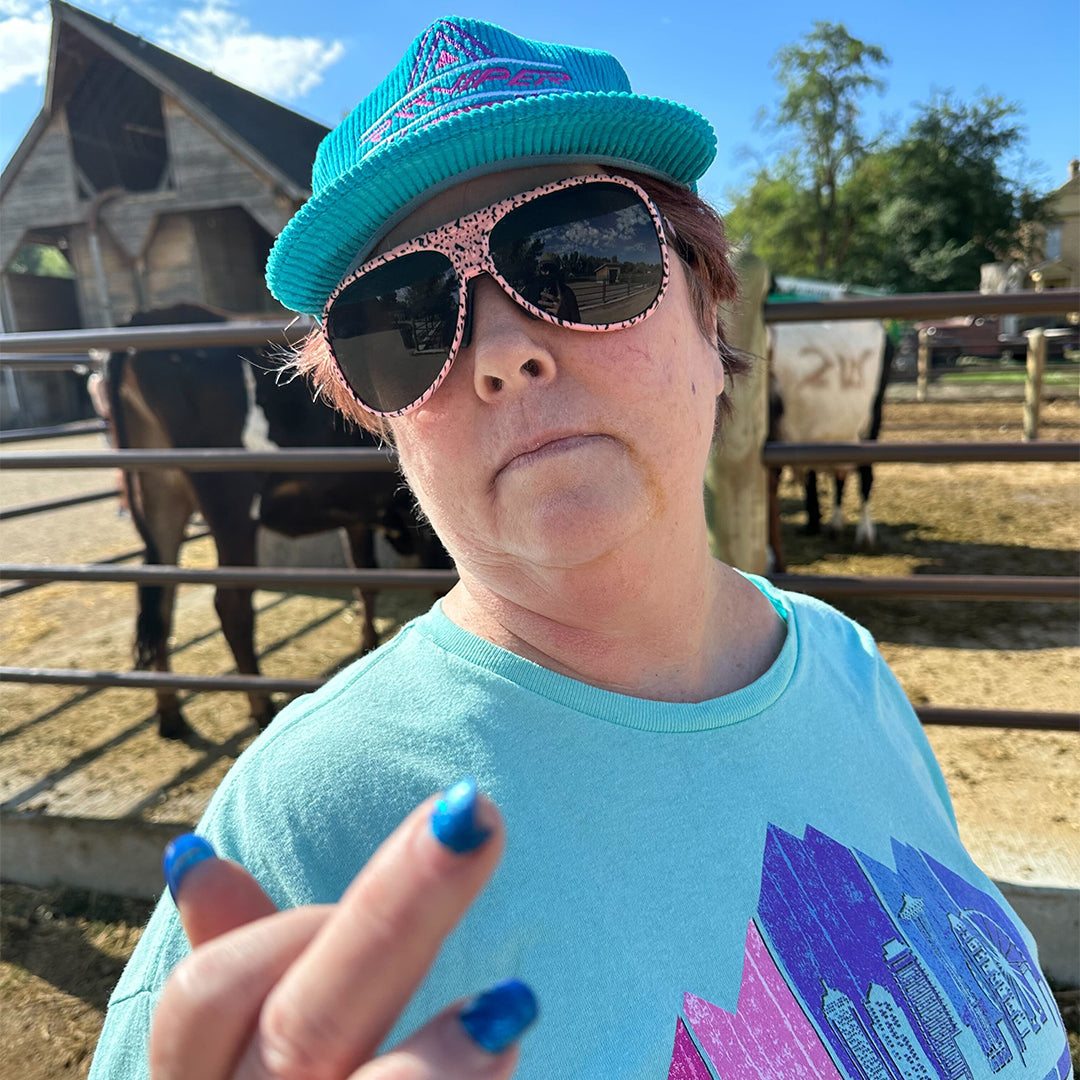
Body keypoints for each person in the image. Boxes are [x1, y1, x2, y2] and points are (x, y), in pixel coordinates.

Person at [90, 17, 1071, 1080]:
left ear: (708, 304)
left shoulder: (844, 665)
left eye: (582, 253)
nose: (504, 350)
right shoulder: (306, 827)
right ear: (381, 419)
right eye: (403, 320)